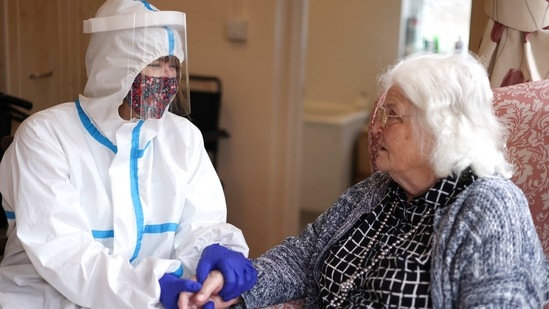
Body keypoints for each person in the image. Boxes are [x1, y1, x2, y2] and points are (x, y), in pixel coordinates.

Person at [185, 52, 549, 308]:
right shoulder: (378, 190)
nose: (375, 127)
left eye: (392, 115)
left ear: (440, 128)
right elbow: (304, 255)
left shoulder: (491, 208)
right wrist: (237, 287)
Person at [0, 1, 256, 308]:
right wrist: (157, 287)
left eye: (173, 65)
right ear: (117, 66)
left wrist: (216, 254)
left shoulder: (183, 137)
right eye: (154, 63)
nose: (167, 77)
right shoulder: (45, 136)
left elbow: (199, 226)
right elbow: (65, 254)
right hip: (45, 299)